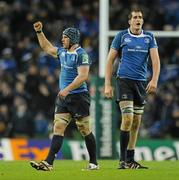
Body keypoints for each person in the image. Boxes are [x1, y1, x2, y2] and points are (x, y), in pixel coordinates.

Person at [30, 21, 99, 171]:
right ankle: (48, 163)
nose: (62, 40)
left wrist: (67, 89)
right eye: (62, 37)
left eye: (65, 37)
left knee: (84, 129)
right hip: (64, 97)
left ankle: (94, 163)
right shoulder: (62, 52)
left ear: (73, 39)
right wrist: (39, 32)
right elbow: (47, 48)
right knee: (58, 127)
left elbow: (83, 76)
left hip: (79, 96)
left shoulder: (82, 55)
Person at [104, 9, 160, 169]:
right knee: (127, 119)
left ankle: (130, 159)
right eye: (135, 17)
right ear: (129, 21)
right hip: (124, 81)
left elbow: (156, 61)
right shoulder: (121, 36)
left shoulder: (149, 37)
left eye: (140, 17)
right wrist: (107, 84)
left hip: (141, 83)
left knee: (136, 122)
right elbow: (109, 60)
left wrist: (154, 79)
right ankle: (122, 160)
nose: (138, 19)